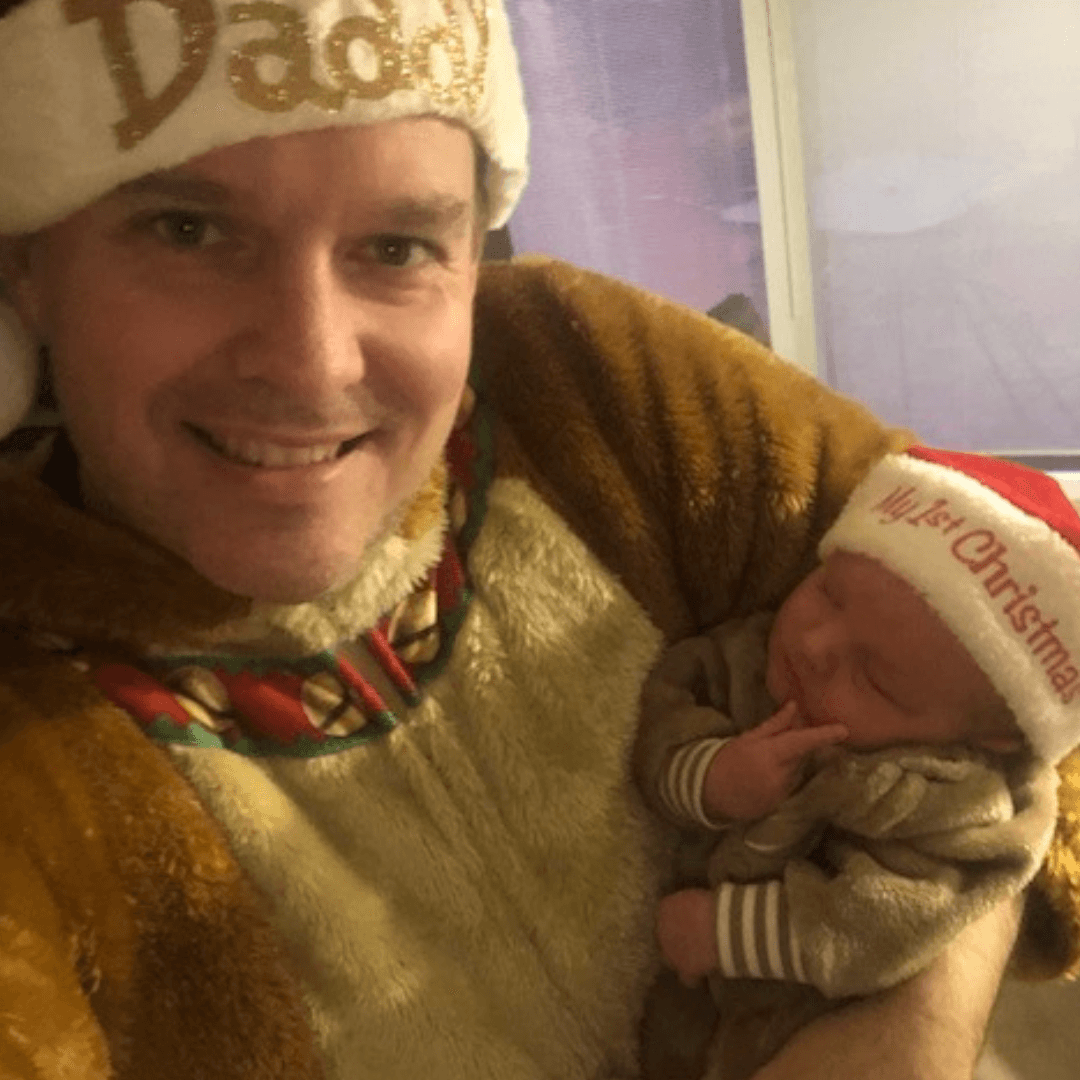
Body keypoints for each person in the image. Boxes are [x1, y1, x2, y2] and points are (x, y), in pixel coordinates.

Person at [0, 1, 1075, 1078]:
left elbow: (1032, 653)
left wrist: (901, 1036)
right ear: (26, 263)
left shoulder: (590, 377)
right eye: (187, 231)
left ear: (471, 256)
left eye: (397, 246)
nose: (313, 363)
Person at [637, 445, 1080, 1078]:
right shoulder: (751, 657)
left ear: (984, 739)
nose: (814, 644)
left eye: (875, 676)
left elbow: (893, 921)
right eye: (828, 592)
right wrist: (712, 777)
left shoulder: (956, 802)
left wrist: (723, 931)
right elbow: (663, 712)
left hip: (786, 1019)